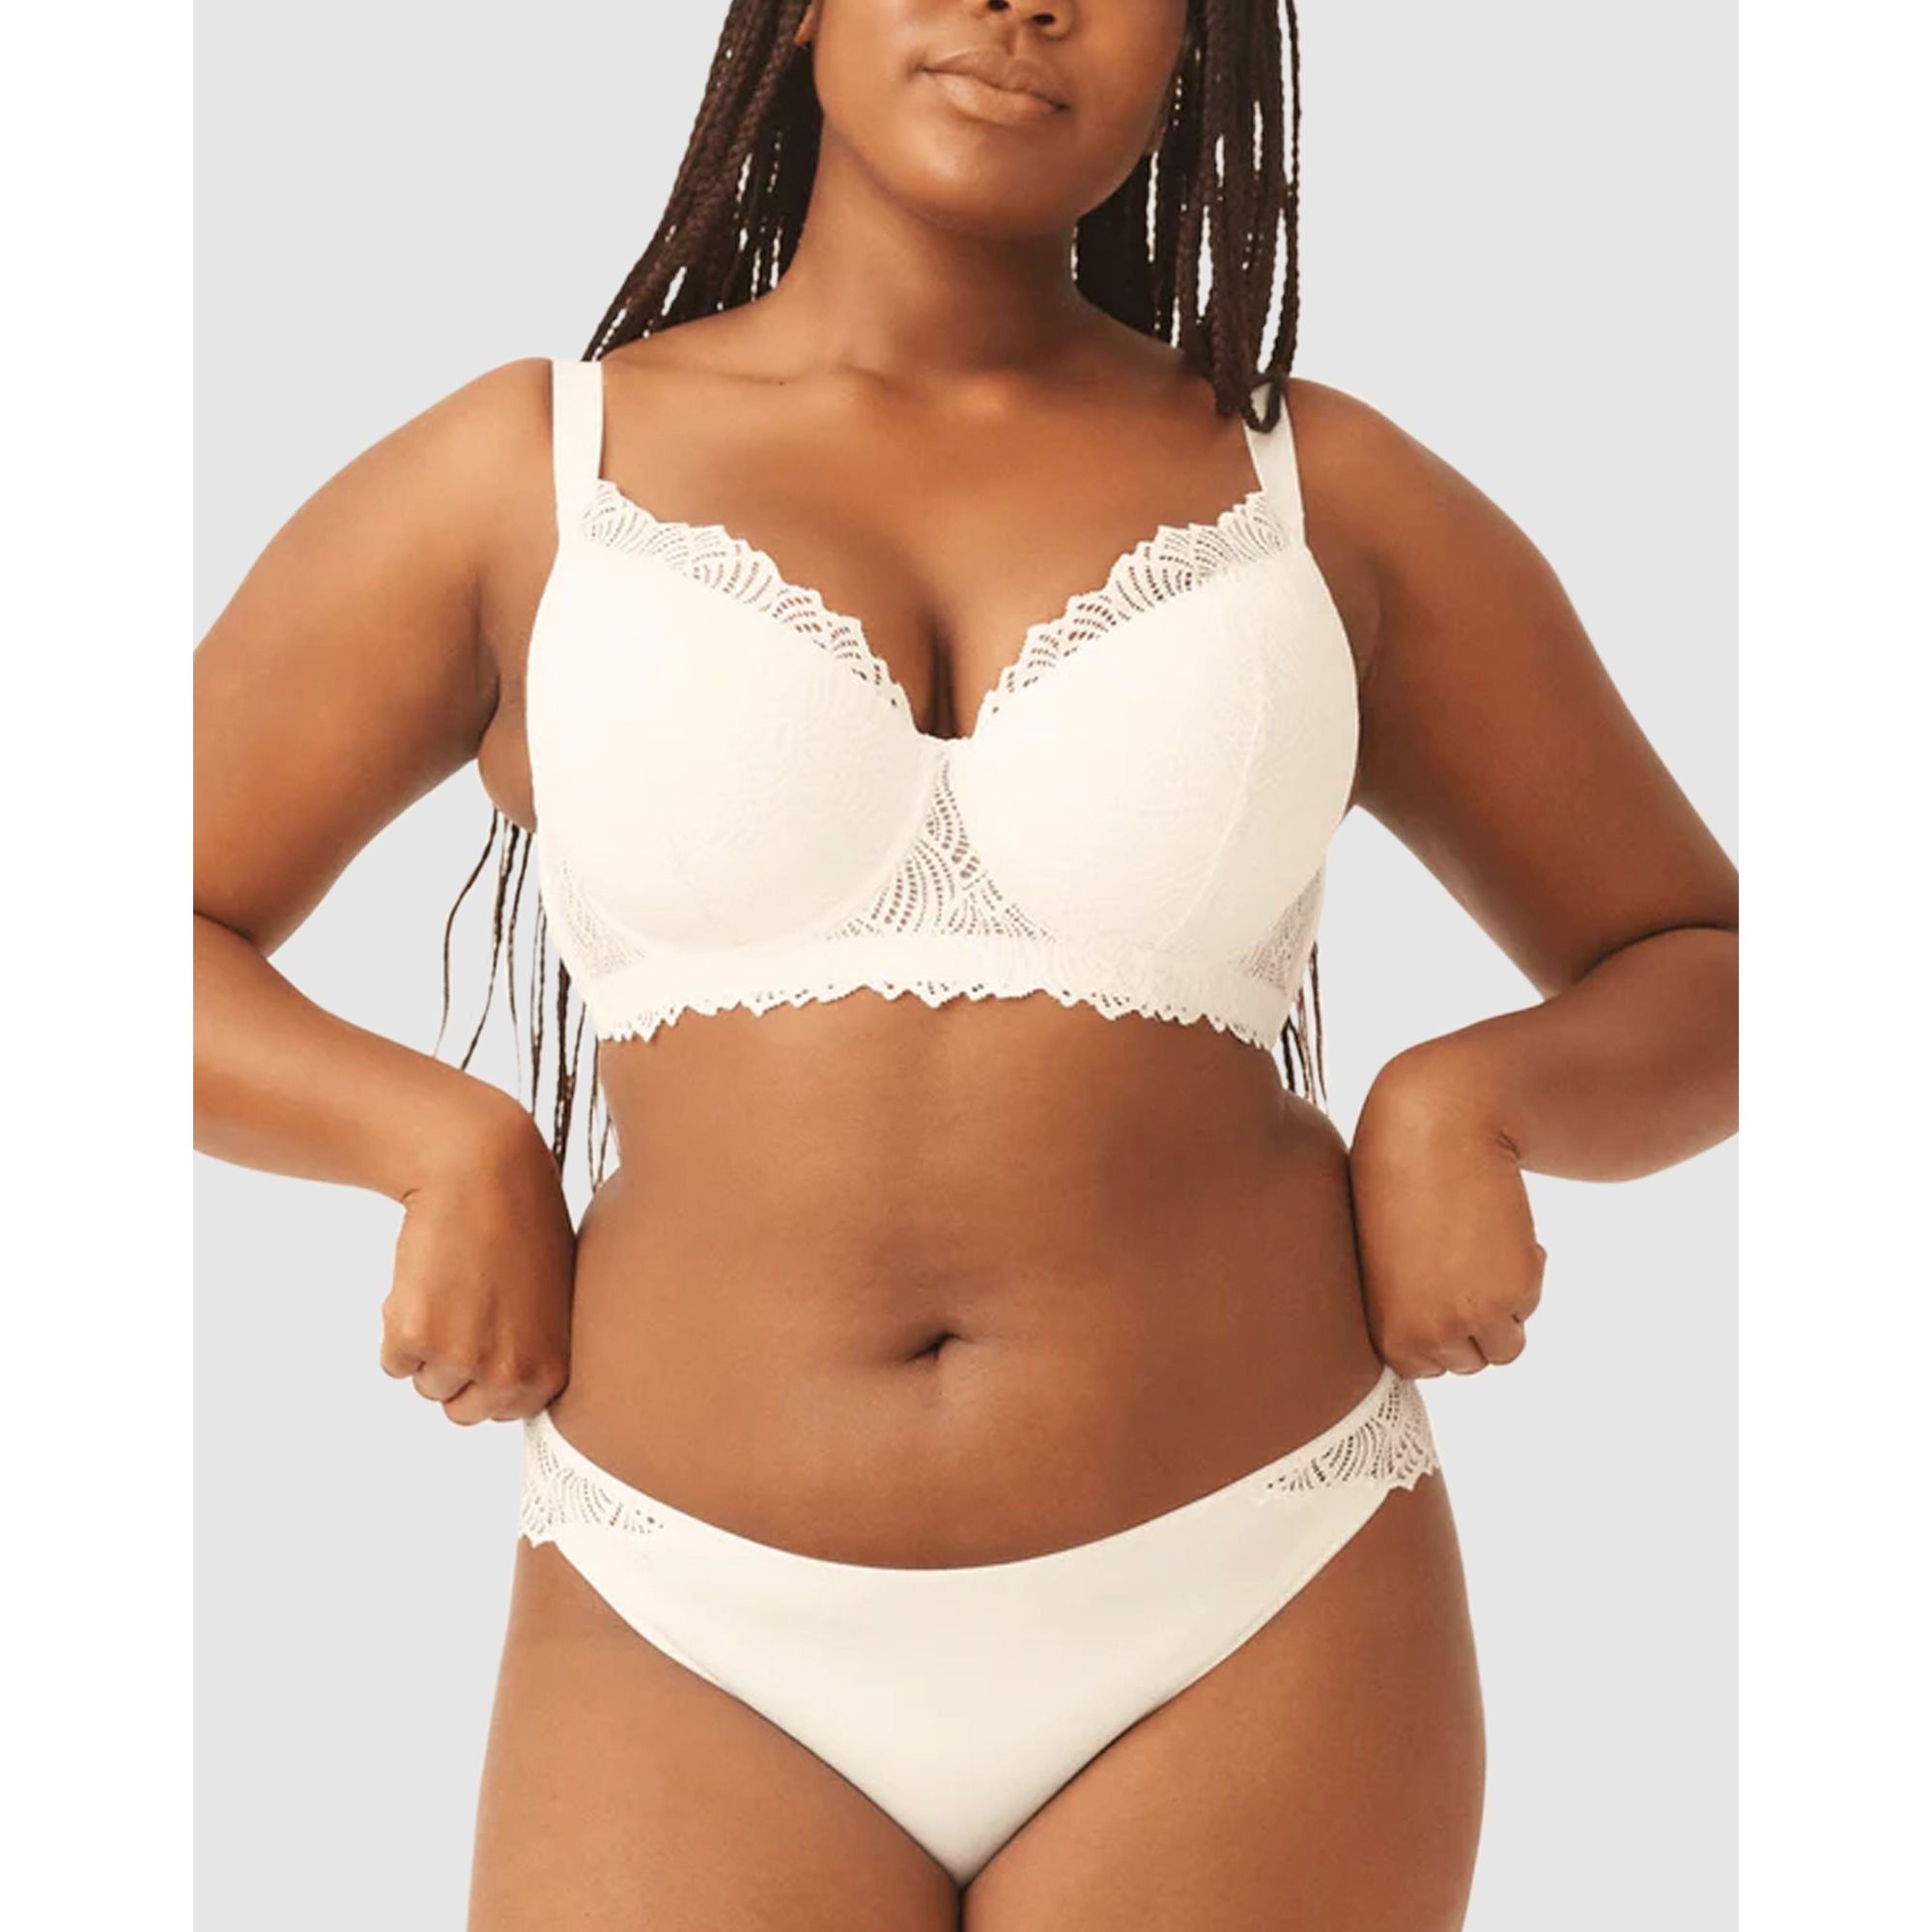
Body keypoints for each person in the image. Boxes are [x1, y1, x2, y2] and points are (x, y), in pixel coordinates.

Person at [192, 3, 1739, 1926]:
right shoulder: (527, 473)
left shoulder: (1318, 497)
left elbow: (1712, 965)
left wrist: (1475, 1104)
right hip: (682, 1619)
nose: (1024, 5)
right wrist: (433, 1143)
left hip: (1259, 1595)